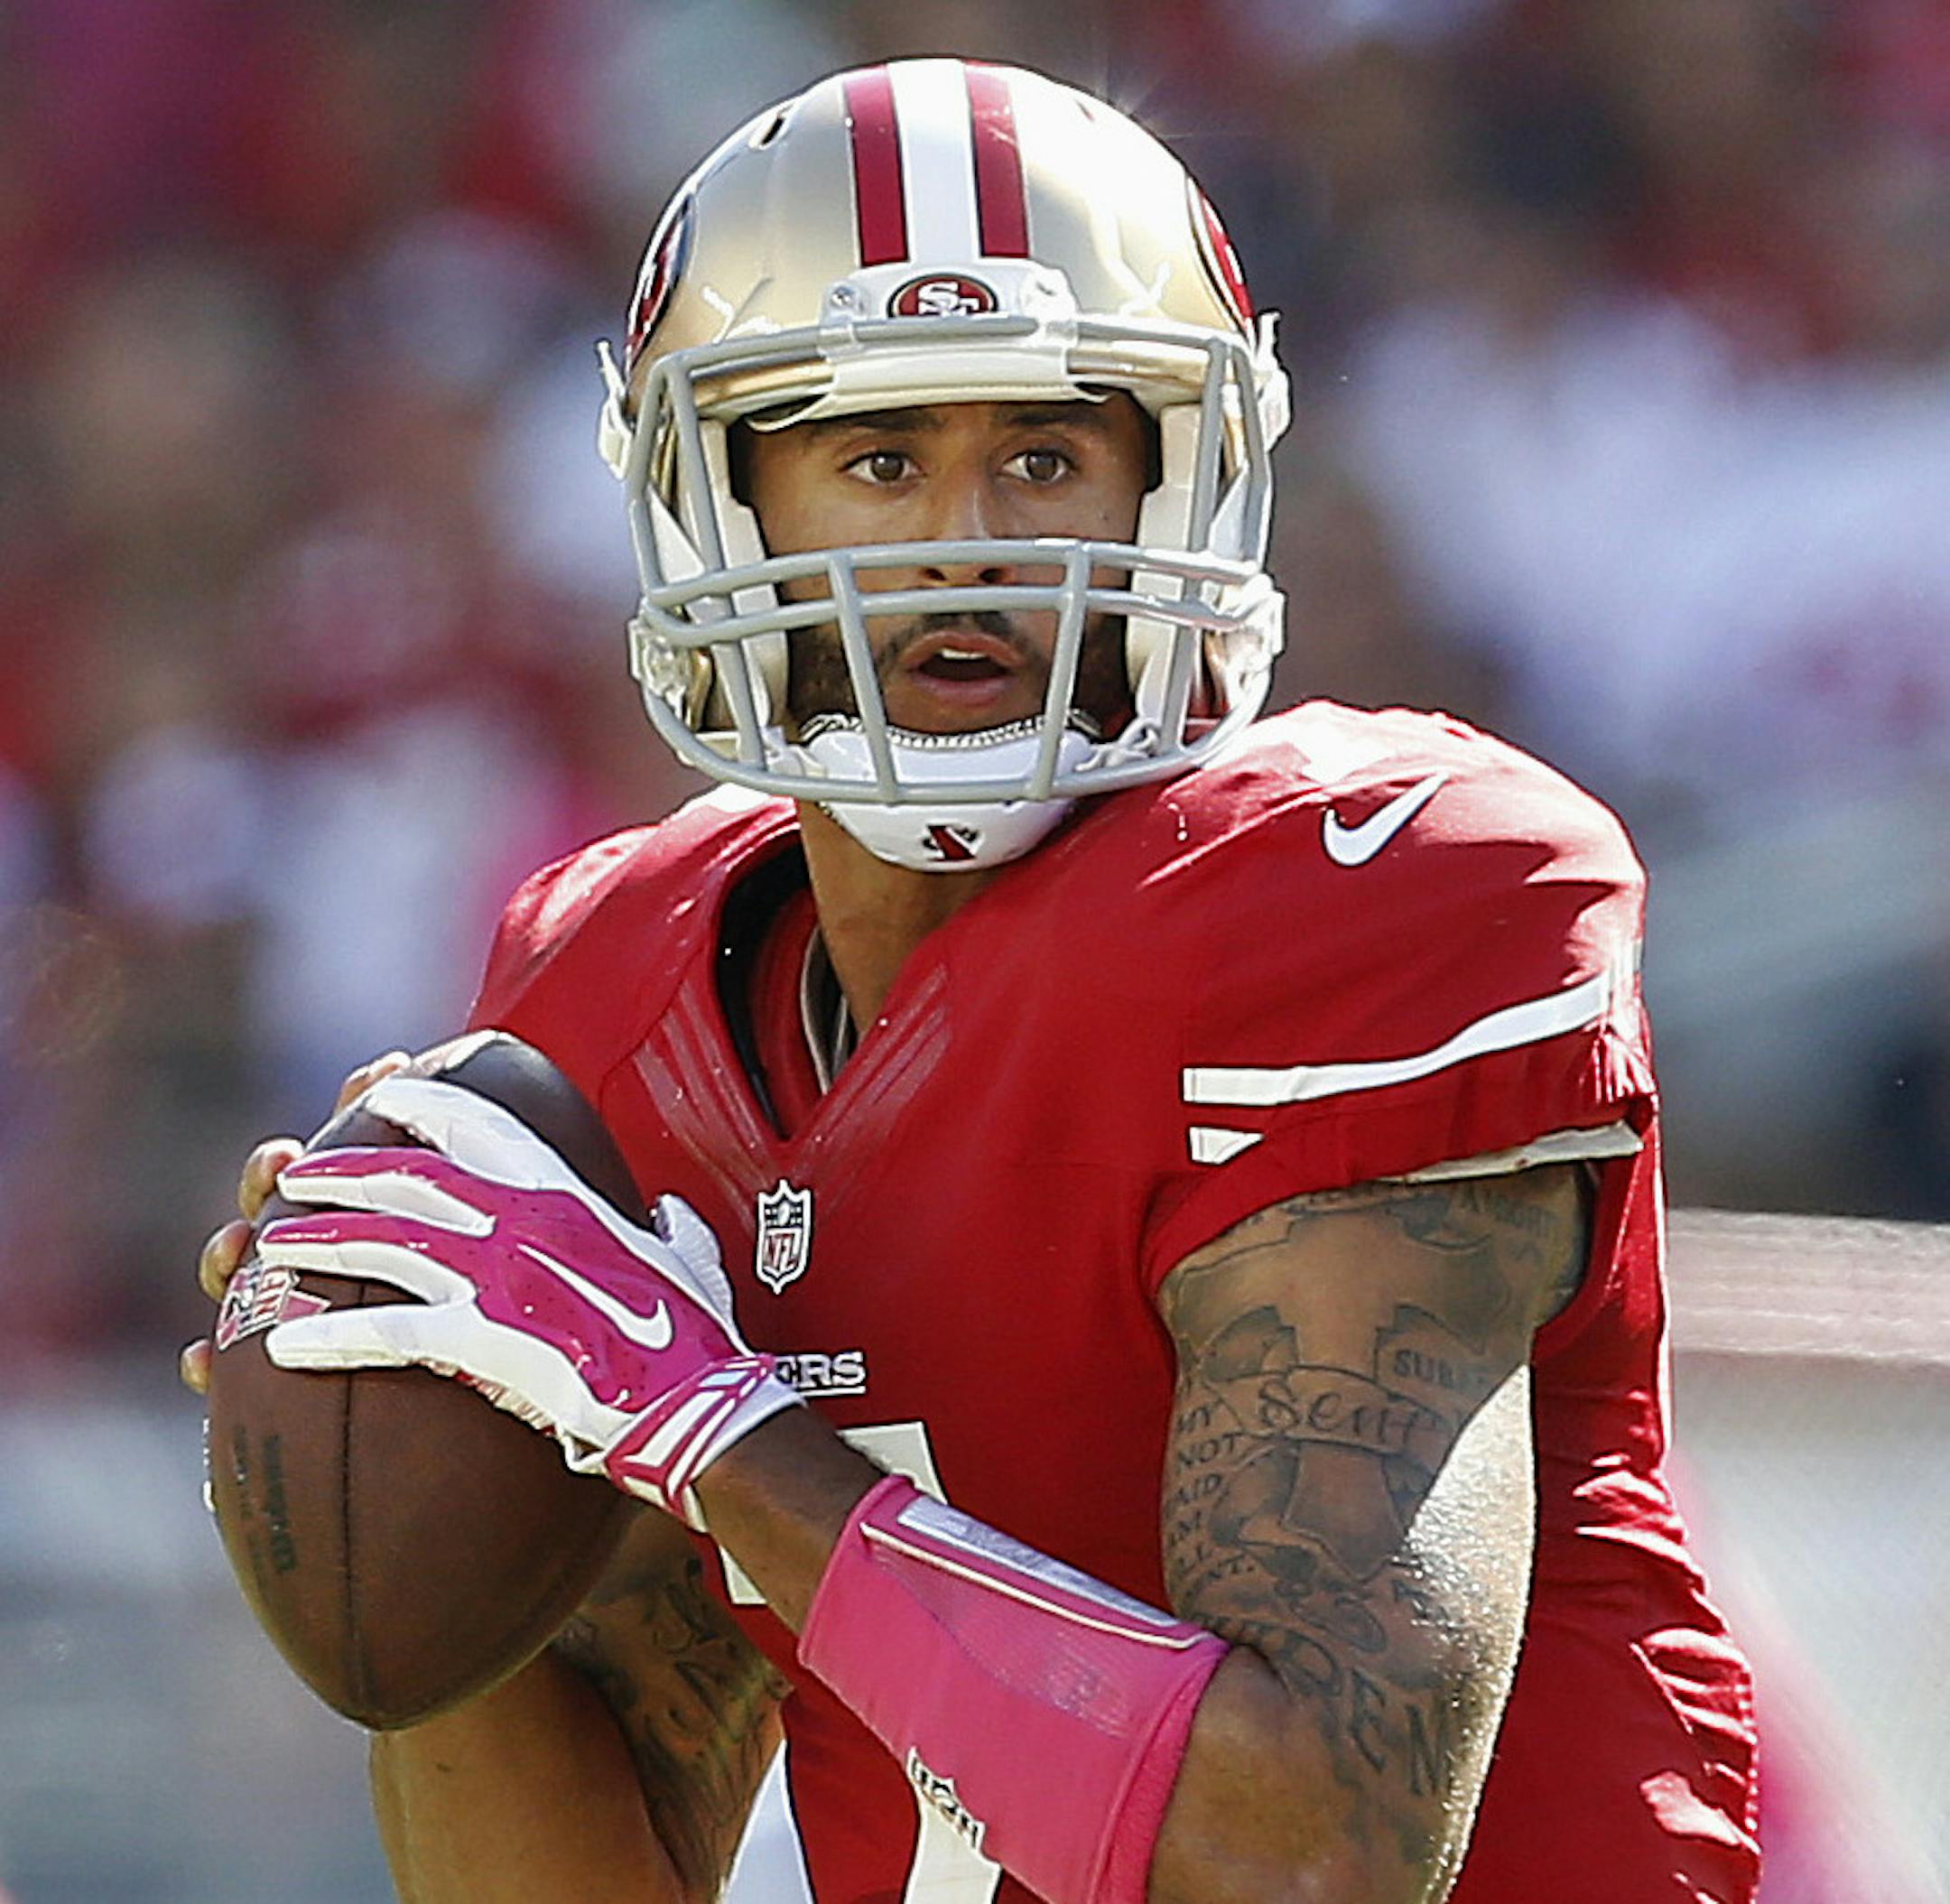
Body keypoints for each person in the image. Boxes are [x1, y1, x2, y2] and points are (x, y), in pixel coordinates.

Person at [184, 59, 1760, 1904]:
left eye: (1042, 453)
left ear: (1175, 474)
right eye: (875, 458)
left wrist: (705, 1423)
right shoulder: (611, 982)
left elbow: (1314, 1861)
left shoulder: (1368, 893)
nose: (963, 537)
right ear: (719, 503)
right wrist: (417, 1397)